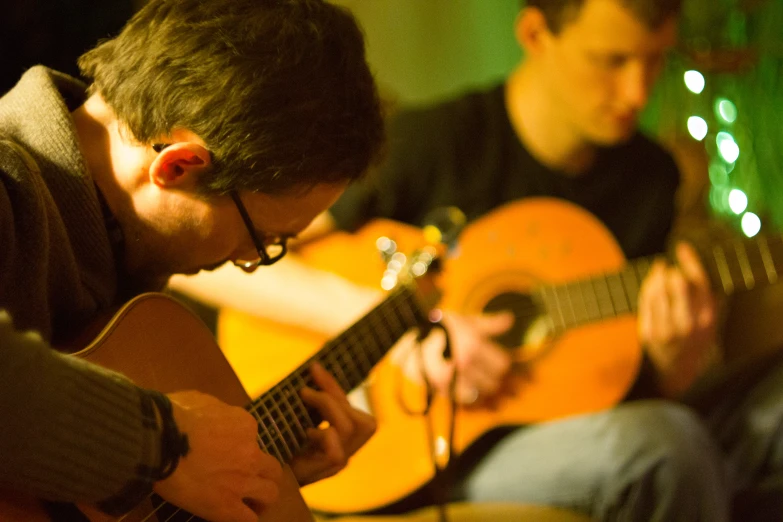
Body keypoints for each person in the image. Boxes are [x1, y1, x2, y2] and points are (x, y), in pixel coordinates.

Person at [170, 0, 783, 521]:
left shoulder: (650, 177)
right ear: (536, 34)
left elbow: (615, 380)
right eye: (611, 60)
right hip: (439, 445)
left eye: (656, 60)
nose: (637, 91)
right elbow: (218, 262)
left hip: (582, 425)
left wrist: (671, 363)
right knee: (666, 446)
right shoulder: (430, 143)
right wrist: (397, 324)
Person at [0, 0, 386, 520]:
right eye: (263, 235)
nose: (252, 260)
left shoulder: (121, 247)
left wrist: (236, 477)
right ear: (178, 165)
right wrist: (163, 445)